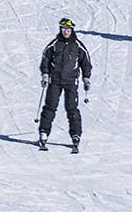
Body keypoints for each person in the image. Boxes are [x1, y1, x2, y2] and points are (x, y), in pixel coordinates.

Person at [37, 18, 93, 153]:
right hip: (55, 80)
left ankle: (75, 134)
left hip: (71, 81)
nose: (66, 32)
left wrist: (86, 78)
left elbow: (86, 63)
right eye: (63, 29)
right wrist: (45, 74)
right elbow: (45, 59)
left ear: (72, 30)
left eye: (68, 30)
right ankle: (44, 133)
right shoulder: (55, 44)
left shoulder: (78, 45)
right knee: (50, 106)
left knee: (72, 108)